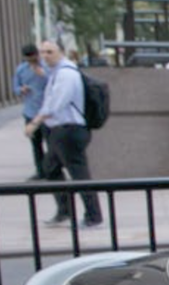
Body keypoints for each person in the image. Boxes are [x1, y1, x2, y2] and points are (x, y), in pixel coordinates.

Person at [22, 40, 103, 227]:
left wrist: (35, 122)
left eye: (50, 52)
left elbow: (56, 104)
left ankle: (93, 216)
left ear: (61, 52)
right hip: (61, 130)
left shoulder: (66, 74)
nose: (45, 56)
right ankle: (65, 210)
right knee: (50, 167)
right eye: (42, 52)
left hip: (70, 130)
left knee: (79, 174)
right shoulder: (56, 72)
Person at [13, 43, 50, 179]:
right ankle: (40, 171)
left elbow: (56, 82)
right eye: (28, 58)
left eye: (33, 57)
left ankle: (53, 170)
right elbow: (15, 87)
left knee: (52, 144)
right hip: (30, 112)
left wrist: (44, 75)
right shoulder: (21, 69)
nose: (31, 61)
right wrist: (21, 90)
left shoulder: (47, 67)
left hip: (47, 112)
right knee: (36, 144)